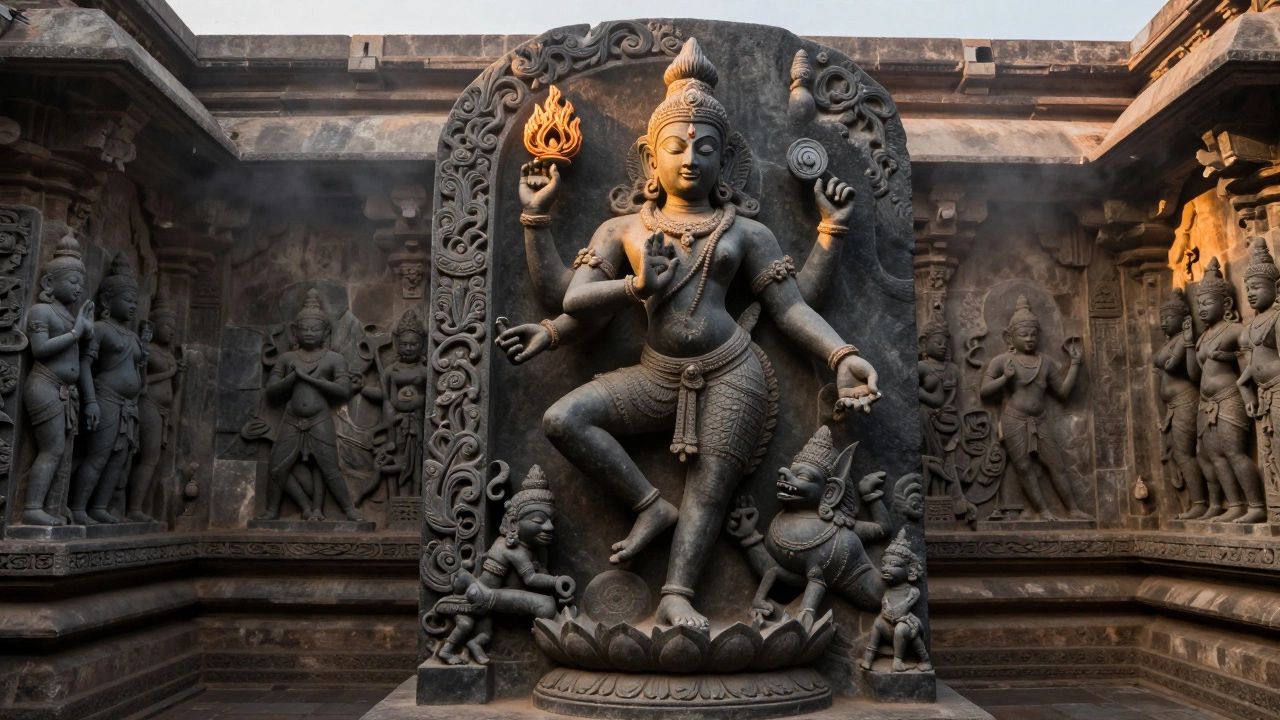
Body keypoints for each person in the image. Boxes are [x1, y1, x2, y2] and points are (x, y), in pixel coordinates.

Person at [497, 38, 880, 630]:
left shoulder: (746, 232)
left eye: (706, 148)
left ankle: (677, 594)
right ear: (650, 158)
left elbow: (791, 307)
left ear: (726, 160)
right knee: (564, 419)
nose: (690, 159)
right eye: (675, 147)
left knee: (709, 488)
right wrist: (537, 218)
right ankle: (650, 506)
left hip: (732, 371)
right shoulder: (624, 229)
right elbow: (567, 297)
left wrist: (841, 353)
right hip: (657, 373)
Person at [256, 289, 363, 522]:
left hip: (319, 418)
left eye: (315, 329)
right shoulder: (287, 359)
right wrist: (293, 378)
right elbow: (271, 391)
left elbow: (344, 390)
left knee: (330, 469)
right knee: (277, 467)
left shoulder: (334, 359)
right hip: (292, 418)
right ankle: (273, 510)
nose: (309, 333)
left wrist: (314, 380)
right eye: (304, 329)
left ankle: (349, 510)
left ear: (326, 332)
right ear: (295, 331)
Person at [980, 296, 1089, 520]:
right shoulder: (1002, 361)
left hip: (1040, 420)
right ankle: (1043, 510)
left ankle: (1073, 509)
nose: (1029, 339)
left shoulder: (1046, 362)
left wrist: (1075, 364)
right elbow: (984, 391)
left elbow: (1063, 392)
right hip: (1014, 419)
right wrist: (1005, 378)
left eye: (1033, 334)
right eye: (1023, 334)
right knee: (1023, 467)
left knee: (1056, 464)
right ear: (1009, 337)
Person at [21, 235, 95, 526]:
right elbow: (39, 349)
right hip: (45, 384)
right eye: (73, 281)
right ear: (49, 283)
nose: (78, 288)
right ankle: (32, 508)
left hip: (66, 391)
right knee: (52, 449)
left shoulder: (67, 315)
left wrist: (84, 331)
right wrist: (76, 332)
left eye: (81, 283)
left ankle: (54, 506)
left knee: (63, 452)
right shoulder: (42, 311)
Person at [69, 253, 146, 525]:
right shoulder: (101, 328)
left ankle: (100, 507)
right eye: (127, 300)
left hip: (128, 406)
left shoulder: (133, 336)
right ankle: (78, 508)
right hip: (105, 398)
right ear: (107, 301)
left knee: (119, 458)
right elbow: (84, 364)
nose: (133, 306)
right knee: (98, 455)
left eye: (135, 301)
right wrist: (90, 401)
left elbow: (137, 371)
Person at [1152, 288, 1215, 519]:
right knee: (1179, 454)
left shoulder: (1185, 339)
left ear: (1184, 319)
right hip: (1172, 406)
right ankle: (1196, 502)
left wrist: (1185, 343)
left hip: (1186, 400)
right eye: (1162, 318)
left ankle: (1201, 503)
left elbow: (1170, 365)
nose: (1164, 322)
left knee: (1185, 453)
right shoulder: (1169, 343)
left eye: (1169, 317)